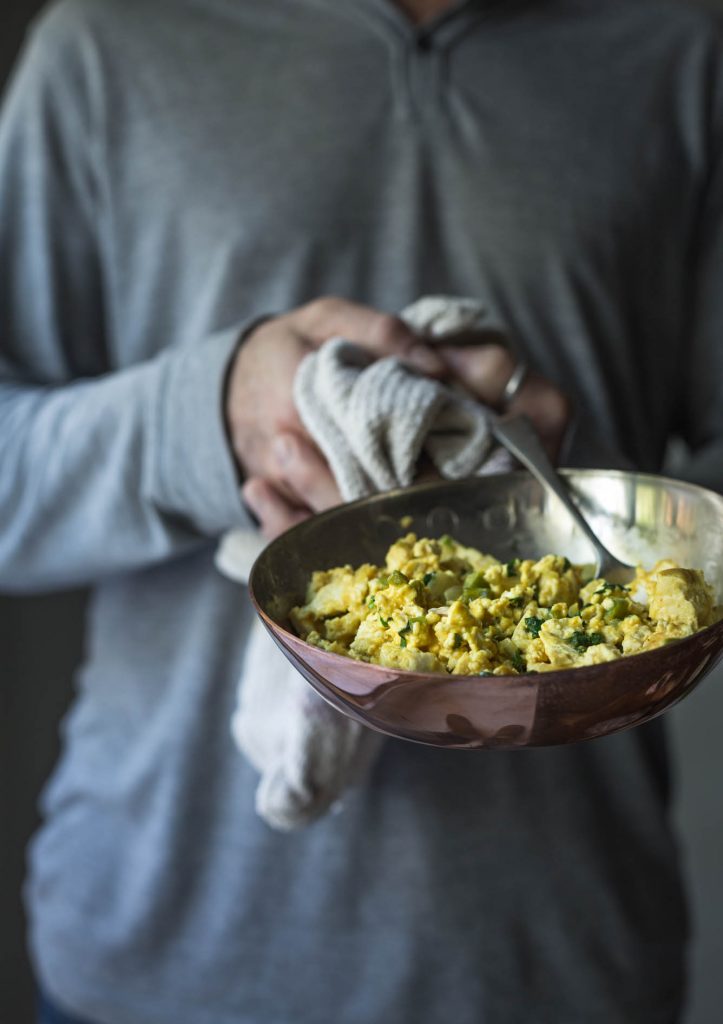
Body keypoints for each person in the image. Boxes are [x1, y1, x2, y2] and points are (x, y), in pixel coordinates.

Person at [1, 0, 722, 1021]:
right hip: (156, 952)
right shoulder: (110, 43)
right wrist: (203, 413)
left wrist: (574, 479)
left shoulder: (681, 54)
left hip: (557, 963)